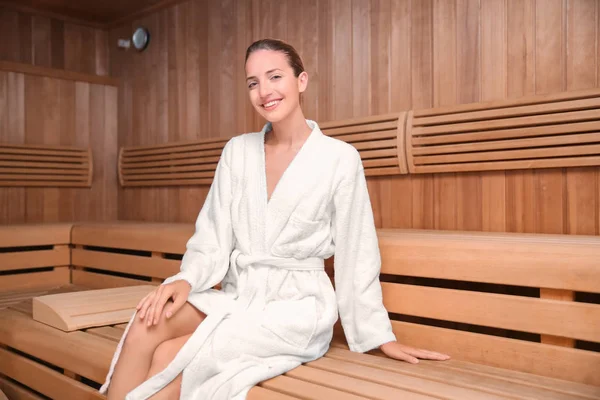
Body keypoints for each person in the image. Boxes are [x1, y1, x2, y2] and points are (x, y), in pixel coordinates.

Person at [101, 38, 450, 400]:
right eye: (253, 82)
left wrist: (379, 335)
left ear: (301, 81)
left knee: (169, 355)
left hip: (296, 308)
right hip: (241, 295)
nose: (264, 91)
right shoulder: (237, 152)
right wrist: (187, 279)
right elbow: (213, 236)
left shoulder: (339, 159)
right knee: (148, 322)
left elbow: (356, 251)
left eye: (275, 77)